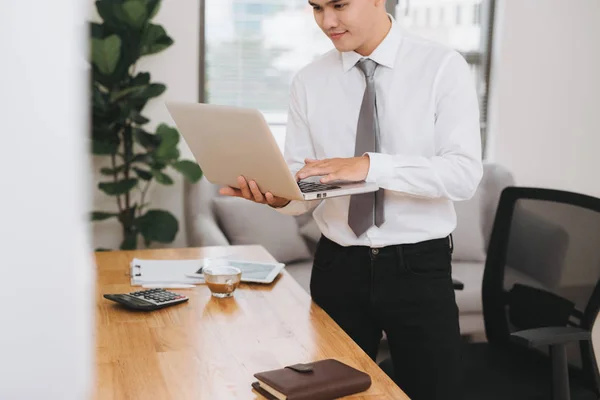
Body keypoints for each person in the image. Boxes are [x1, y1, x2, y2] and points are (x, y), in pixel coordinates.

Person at [220, 0, 483, 398]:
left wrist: (367, 166)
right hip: (338, 266)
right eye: (316, 7)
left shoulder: (442, 67)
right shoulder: (309, 81)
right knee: (330, 394)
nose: (327, 21)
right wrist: (278, 197)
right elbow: (305, 191)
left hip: (418, 269)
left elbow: (463, 175)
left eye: (340, 5)